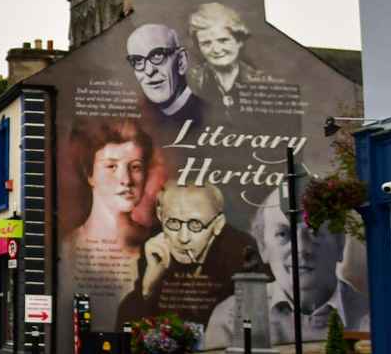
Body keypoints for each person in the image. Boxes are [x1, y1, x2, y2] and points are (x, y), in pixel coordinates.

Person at [208, 188, 370, 347]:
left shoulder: (371, 314)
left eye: (314, 232)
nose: (301, 248)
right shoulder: (229, 319)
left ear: (340, 244)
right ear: (263, 247)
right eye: (283, 234)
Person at [118, 183, 254, 334]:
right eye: (173, 222)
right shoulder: (156, 245)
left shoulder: (241, 249)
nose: (183, 238)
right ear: (160, 215)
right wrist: (148, 287)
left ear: (218, 224)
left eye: (195, 224)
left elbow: (252, 316)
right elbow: (126, 323)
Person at [61, 120, 156, 330]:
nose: (126, 179)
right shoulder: (65, 253)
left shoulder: (158, 247)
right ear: (89, 174)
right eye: (111, 166)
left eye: (136, 167)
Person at [125, 23, 208, 138]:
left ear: (181, 61)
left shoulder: (208, 115)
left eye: (157, 55)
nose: (149, 71)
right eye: (137, 60)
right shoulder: (134, 122)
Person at [186, 2, 266, 111]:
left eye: (223, 40)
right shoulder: (191, 81)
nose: (216, 50)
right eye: (206, 43)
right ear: (198, 47)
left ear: (239, 41)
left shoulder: (261, 83)